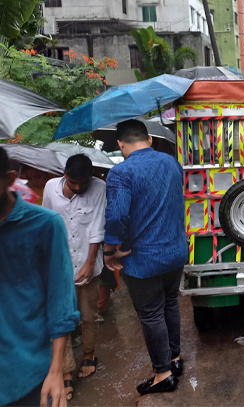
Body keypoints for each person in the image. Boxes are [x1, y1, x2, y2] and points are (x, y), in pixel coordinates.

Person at [103, 119, 187, 395]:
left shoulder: (121, 173)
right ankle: (174, 359)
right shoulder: (172, 163)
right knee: (170, 305)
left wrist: (110, 250)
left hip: (143, 259)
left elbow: (116, 216)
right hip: (175, 251)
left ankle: (163, 374)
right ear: (149, 139)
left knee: (151, 314)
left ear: (120, 144)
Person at [0, 146, 80, 407]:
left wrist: (56, 371)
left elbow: (60, 303)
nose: (37, 181)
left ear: (10, 179)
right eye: (33, 177)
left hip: (28, 373)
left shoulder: (44, 224)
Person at [43, 154, 106, 401]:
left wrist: (91, 263)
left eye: (83, 183)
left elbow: (97, 226)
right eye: (73, 182)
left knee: (89, 314)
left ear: (91, 177)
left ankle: (89, 355)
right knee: (62, 318)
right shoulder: (50, 187)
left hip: (87, 263)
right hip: (58, 265)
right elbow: (47, 223)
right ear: (64, 174)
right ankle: (66, 369)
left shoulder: (99, 188)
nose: (78, 187)